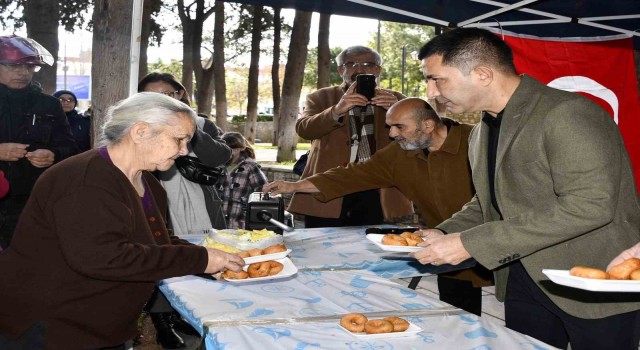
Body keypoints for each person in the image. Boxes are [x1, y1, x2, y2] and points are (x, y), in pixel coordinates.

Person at [412, 28, 640, 350]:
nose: (431, 92)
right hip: (522, 280)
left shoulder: (567, 113)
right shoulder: (481, 132)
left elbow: (590, 205)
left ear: (482, 74)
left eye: (437, 80)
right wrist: (443, 232)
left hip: (591, 281)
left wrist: (472, 243)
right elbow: (488, 202)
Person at [0, 92, 245, 349]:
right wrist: (201, 259)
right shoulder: (84, 180)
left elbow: (155, 241)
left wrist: (210, 258)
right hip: (51, 328)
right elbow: (104, 257)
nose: (185, 150)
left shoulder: (147, 181)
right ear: (140, 132)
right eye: (179, 139)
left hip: (97, 327)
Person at [263, 98, 492, 315]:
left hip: (498, 239)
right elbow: (352, 175)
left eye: (399, 127)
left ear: (428, 125)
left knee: (518, 307)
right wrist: (294, 186)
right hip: (443, 244)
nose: (392, 134)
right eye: (390, 127)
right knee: (459, 309)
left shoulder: (480, 141)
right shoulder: (398, 155)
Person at [138, 72, 232, 348]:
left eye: (167, 95)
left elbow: (220, 156)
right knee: (163, 254)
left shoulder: (201, 123)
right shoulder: (138, 126)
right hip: (157, 199)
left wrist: (188, 125)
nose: (161, 101)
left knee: (207, 254)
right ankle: (163, 322)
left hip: (201, 201)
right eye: (152, 96)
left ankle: (196, 315)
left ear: (180, 94)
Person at [290, 45, 413, 228]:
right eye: (352, 64)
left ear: (378, 70)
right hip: (328, 186)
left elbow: (417, 138)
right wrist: (337, 110)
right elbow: (304, 130)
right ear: (341, 70)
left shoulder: (396, 99)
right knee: (321, 246)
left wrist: (398, 112)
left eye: (368, 64)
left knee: (371, 246)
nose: (360, 69)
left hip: (377, 187)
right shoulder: (321, 97)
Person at [0, 35, 78, 249]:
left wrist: (54, 154)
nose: (22, 72)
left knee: (26, 259)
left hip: (31, 198)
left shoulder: (49, 105)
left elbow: (69, 146)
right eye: (12, 66)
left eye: (29, 66)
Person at [217, 132, 268, 229]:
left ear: (242, 148)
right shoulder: (217, 165)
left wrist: (245, 203)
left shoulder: (250, 167)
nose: (230, 152)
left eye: (234, 149)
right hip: (218, 223)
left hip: (240, 223)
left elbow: (263, 190)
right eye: (226, 148)